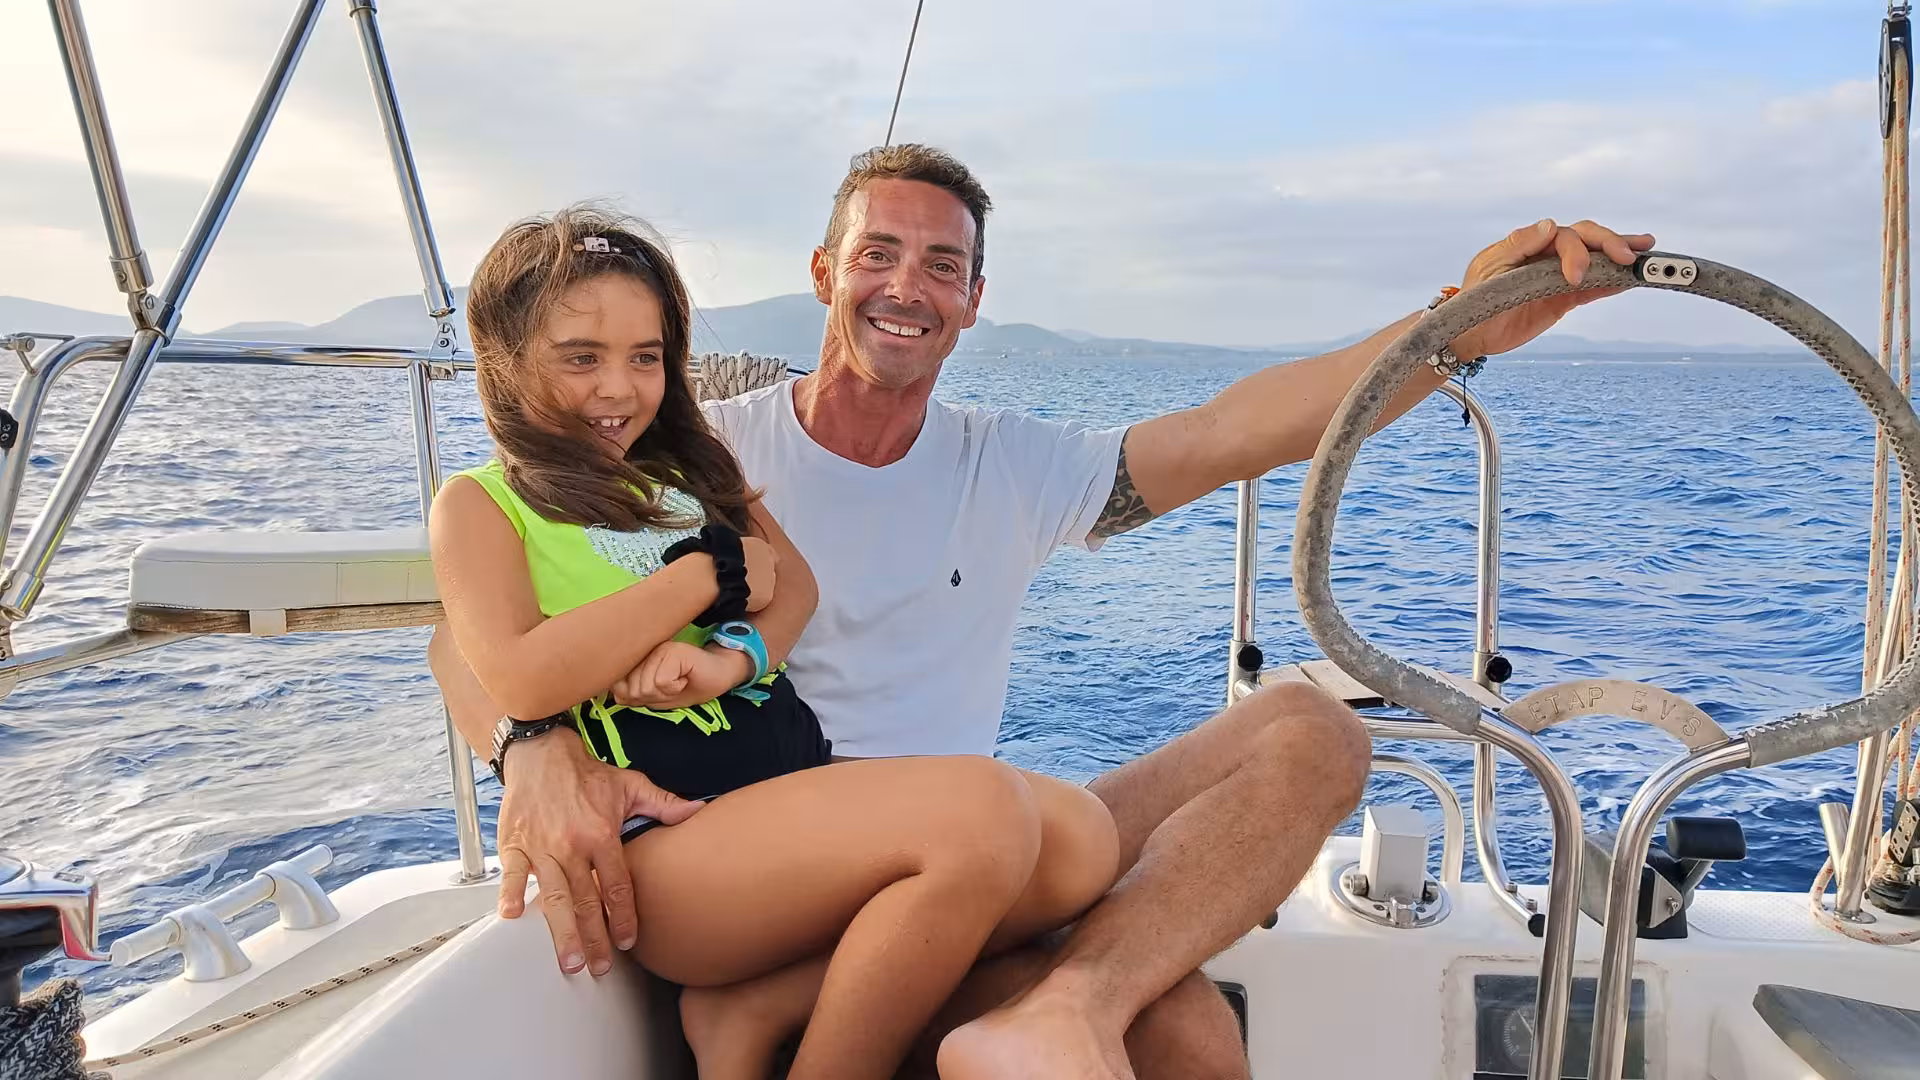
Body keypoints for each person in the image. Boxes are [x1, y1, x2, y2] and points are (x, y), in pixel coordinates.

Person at [429, 144, 1653, 1079]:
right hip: (782, 858)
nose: (907, 285)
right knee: (1172, 1026)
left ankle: (1064, 1003)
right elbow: (461, 631)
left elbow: (1237, 429)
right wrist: (530, 748)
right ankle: (909, 996)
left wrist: (1458, 328)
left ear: (974, 300)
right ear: (823, 273)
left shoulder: (1009, 464)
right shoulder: (707, 450)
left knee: (1311, 734)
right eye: (878, 252)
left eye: (942, 266)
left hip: (977, 857)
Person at [427, 204, 1120, 1080]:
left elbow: (795, 591)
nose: (618, 389)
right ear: (506, 361)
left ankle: (755, 1003)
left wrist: (729, 660)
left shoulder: (690, 473)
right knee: (984, 811)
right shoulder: (482, 505)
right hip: (669, 844)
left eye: (645, 358)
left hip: (787, 788)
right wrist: (698, 579)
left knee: (1080, 840)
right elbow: (521, 677)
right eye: (580, 358)